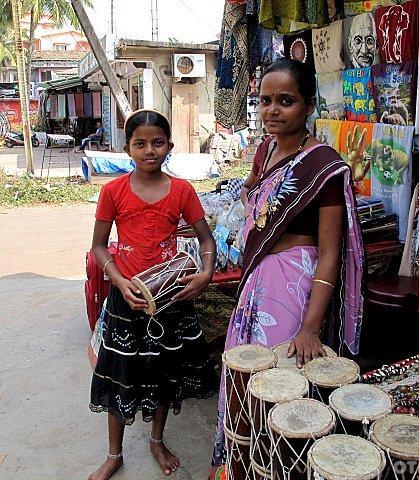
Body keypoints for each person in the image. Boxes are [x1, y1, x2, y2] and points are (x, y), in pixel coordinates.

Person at [217, 58, 364, 467]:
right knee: (245, 382)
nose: (272, 111)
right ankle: (244, 466)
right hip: (257, 287)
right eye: (265, 101)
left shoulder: (324, 166)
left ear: (310, 105)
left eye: (286, 101)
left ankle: (279, 467)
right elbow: (251, 190)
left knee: (281, 389)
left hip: (293, 290)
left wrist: (310, 328)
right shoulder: (265, 149)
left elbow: (331, 253)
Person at [89, 109, 217, 480]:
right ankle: (114, 454)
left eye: (157, 142)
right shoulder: (112, 191)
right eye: (140, 143)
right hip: (126, 299)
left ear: (170, 147)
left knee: (164, 374)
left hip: (169, 298)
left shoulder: (182, 191)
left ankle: (157, 440)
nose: (149, 150)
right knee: (118, 376)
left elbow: (205, 239)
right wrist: (118, 280)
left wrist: (205, 272)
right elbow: (99, 247)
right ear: (127, 147)